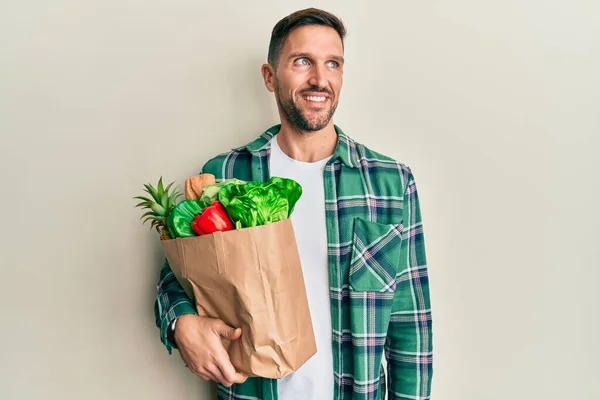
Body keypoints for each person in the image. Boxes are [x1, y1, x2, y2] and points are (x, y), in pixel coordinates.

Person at [154, 7, 433, 400]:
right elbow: (179, 275)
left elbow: (411, 327)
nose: (320, 79)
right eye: (302, 62)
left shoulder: (390, 182)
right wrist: (181, 323)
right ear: (270, 76)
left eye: (332, 64)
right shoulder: (225, 175)